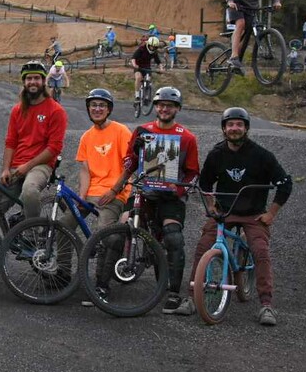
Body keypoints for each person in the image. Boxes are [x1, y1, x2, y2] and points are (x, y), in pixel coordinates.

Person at [174, 108, 292, 326]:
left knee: (260, 251)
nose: (234, 128)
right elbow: (205, 183)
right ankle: (192, 297)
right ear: (223, 129)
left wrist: (271, 213)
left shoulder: (262, 155)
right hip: (224, 212)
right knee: (203, 247)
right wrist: (211, 206)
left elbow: (285, 183)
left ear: (246, 128)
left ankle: (266, 304)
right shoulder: (217, 154)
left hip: (254, 214)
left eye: (239, 124)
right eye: (230, 125)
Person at [0, 60, 68, 281]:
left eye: (37, 78)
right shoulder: (17, 110)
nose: (33, 82)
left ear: (43, 81)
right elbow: (10, 141)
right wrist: (5, 169)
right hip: (16, 166)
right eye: (29, 78)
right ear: (24, 82)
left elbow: (54, 148)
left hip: (40, 165)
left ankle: (30, 234)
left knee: (30, 191)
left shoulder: (55, 111)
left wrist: (26, 166)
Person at [106, 86, 200, 314]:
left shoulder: (187, 137)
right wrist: (136, 154)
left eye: (169, 106)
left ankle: (173, 292)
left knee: (173, 238)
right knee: (121, 227)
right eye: (160, 105)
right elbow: (128, 162)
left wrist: (178, 191)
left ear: (177, 109)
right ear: (155, 107)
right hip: (144, 192)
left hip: (170, 196)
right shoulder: (142, 130)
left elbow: (193, 172)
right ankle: (102, 284)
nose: (164, 109)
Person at [59, 89, 132, 305]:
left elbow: (129, 167)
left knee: (105, 235)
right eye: (93, 105)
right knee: (63, 224)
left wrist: (116, 192)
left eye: (101, 105)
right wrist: (81, 198)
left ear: (109, 109)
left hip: (114, 194)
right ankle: (62, 273)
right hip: (91, 193)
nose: (97, 109)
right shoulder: (87, 136)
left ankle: (101, 285)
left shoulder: (121, 131)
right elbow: (85, 170)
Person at [130, 35, 162, 102]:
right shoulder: (141, 48)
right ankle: (137, 95)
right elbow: (133, 58)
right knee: (138, 78)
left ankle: (147, 94)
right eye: (151, 46)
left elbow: (159, 62)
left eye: (154, 47)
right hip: (139, 66)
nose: (152, 48)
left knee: (148, 79)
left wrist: (161, 69)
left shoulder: (154, 52)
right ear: (148, 44)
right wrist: (134, 64)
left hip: (147, 67)